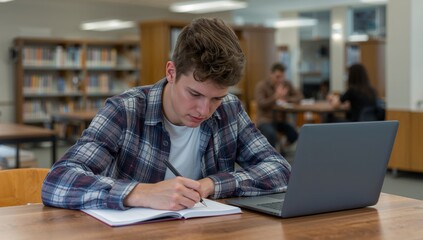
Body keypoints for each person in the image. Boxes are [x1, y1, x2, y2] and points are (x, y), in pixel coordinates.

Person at [41, 18, 291, 211]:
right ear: (171, 72)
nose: (204, 111)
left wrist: (212, 184)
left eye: (216, 98)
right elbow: (58, 181)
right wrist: (139, 193)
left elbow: (280, 171)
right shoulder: (125, 111)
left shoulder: (230, 110)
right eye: (194, 94)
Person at [254, 63, 302, 150]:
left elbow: (299, 97)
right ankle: (272, 157)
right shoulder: (261, 86)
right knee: (271, 134)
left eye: (282, 77)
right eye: (277, 77)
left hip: (281, 120)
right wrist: (275, 97)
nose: (280, 80)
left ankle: (282, 149)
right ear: (270, 74)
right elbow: (261, 103)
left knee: (294, 134)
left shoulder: (286, 84)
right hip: (265, 120)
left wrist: (286, 99)